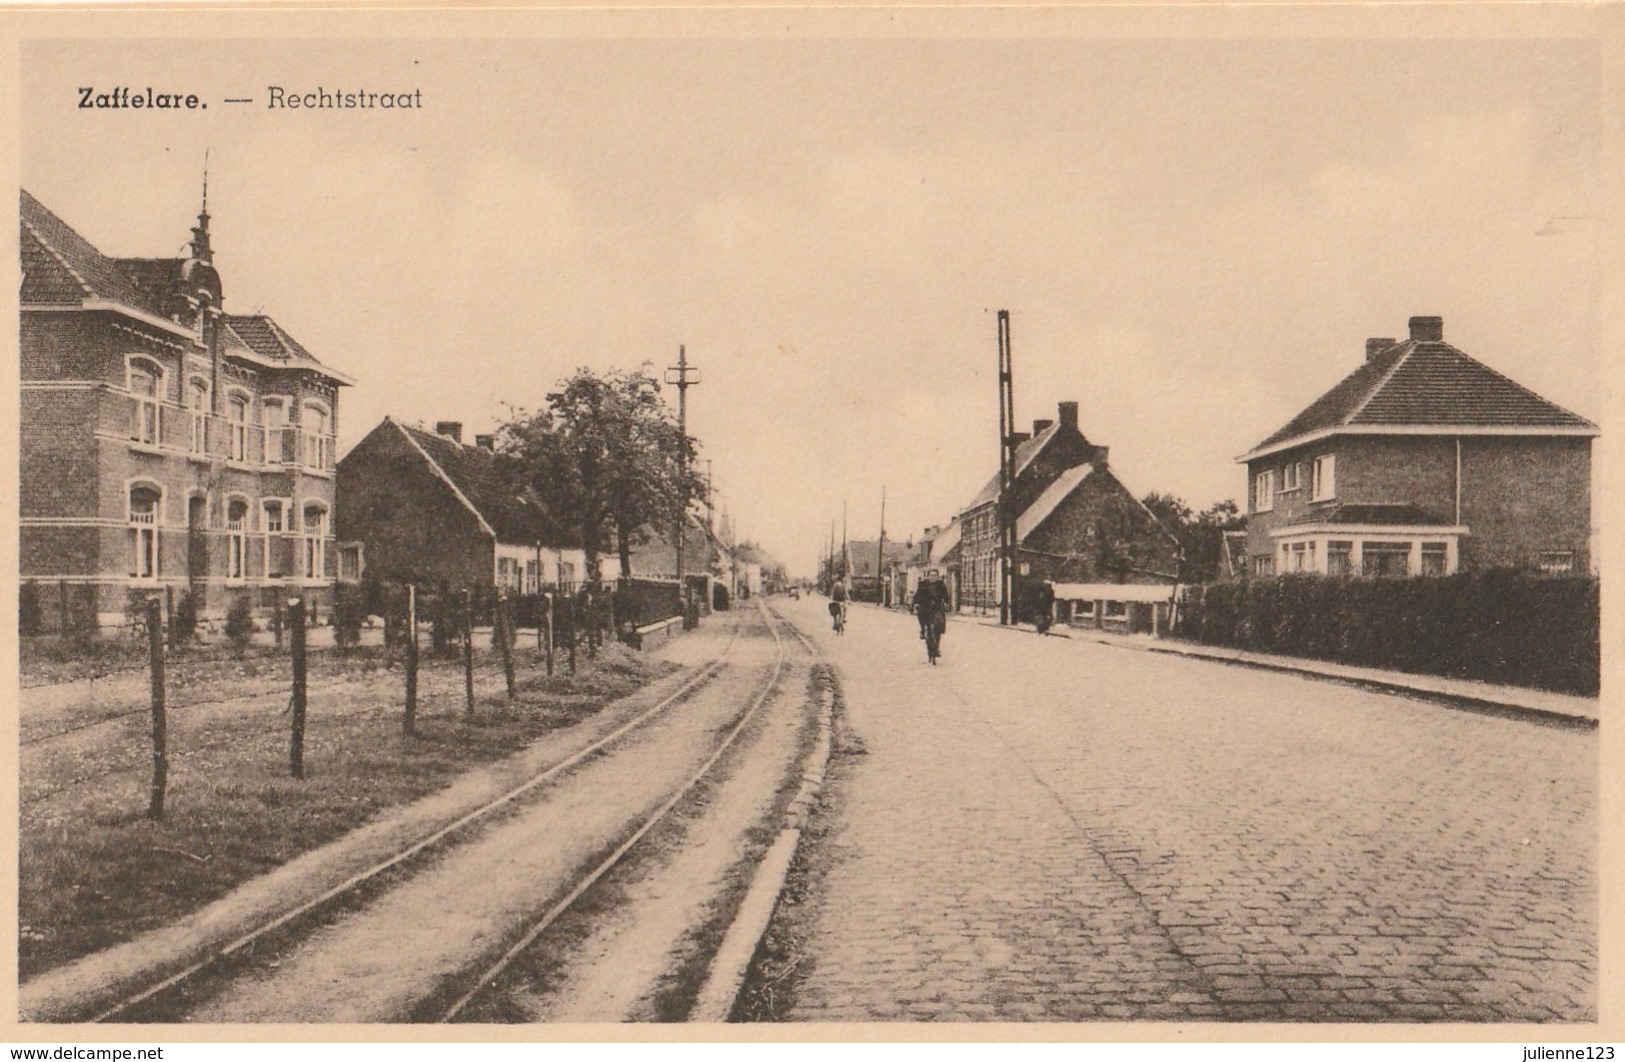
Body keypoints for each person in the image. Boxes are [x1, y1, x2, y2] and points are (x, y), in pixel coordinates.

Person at [912, 569, 951, 644]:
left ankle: (940, 632)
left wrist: (946, 602)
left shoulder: (941, 584)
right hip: (925, 606)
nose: (933, 577)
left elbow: (945, 595)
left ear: (937, 576)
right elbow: (918, 594)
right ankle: (923, 630)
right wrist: (916, 603)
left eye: (935, 575)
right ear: (928, 576)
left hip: (937, 606)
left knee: (941, 618)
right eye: (931, 575)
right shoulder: (923, 584)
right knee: (921, 615)